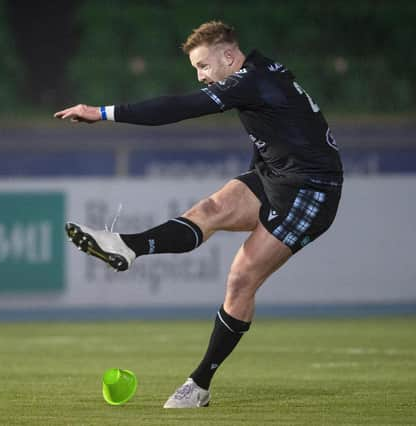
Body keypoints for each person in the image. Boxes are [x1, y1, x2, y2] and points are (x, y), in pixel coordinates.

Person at [54, 20, 343, 408]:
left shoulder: (250, 81)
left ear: (228, 56)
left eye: (204, 66)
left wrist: (102, 112)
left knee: (240, 279)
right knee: (209, 209)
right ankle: (127, 247)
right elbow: (275, 132)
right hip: (275, 175)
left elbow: (179, 106)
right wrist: (254, 177)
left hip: (312, 189)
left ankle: (200, 384)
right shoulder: (259, 74)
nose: (202, 76)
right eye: (197, 70)